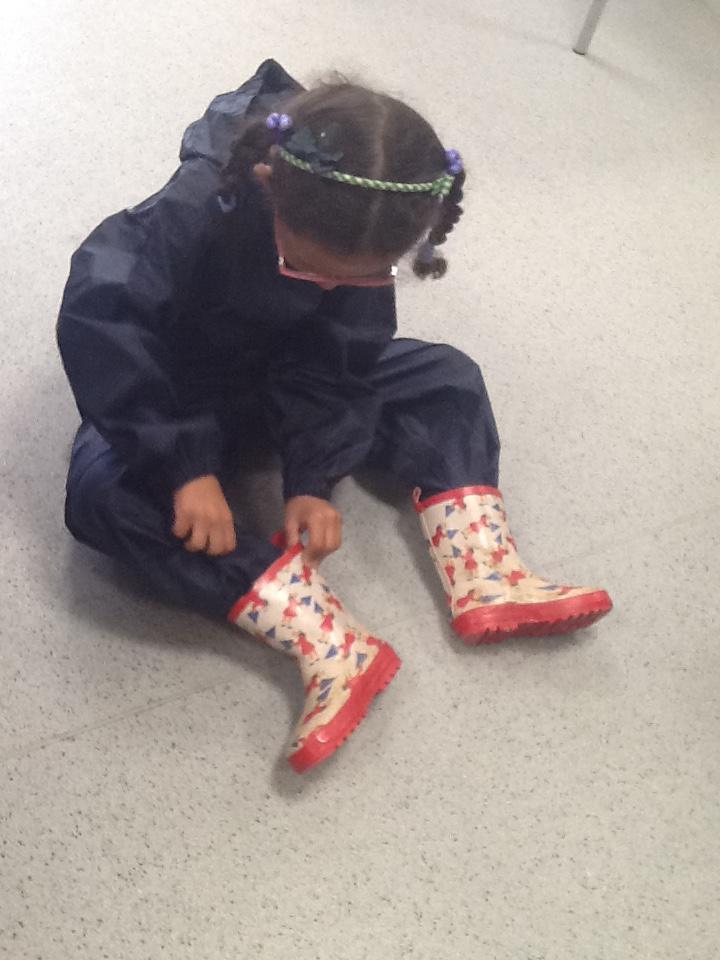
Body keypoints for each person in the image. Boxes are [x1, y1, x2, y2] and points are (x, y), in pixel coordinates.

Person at [57, 59, 612, 774]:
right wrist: (183, 465)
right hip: (181, 388)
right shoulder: (191, 213)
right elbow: (105, 325)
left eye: (362, 277)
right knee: (99, 496)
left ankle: (486, 571)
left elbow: (341, 355)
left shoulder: (357, 232)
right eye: (310, 269)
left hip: (278, 378)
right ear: (267, 188)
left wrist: (311, 478)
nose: (332, 286)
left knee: (446, 377)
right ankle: (325, 637)